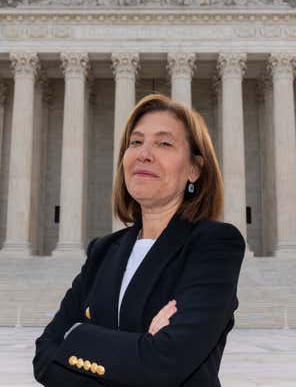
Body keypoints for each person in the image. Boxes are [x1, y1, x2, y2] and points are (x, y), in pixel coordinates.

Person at [32, 93, 246, 386]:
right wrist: (140, 345)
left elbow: (165, 364)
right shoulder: (103, 250)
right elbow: (44, 359)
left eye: (164, 143)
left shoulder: (214, 245)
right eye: (135, 142)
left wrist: (77, 337)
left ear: (195, 169)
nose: (144, 153)